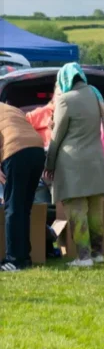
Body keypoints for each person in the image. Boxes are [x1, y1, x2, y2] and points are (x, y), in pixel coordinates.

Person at [44, 63, 104, 267]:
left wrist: (49, 162)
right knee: (95, 210)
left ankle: (83, 257)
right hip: (96, 160)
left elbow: (57, 136)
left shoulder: (65, 100)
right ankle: (98, 253)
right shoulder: (94, 94)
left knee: (76, 210)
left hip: (72, 163)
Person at [0, 102, 46, 272]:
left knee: (13, 208)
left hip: (16, 150)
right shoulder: (10, 108)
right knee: (23, 208)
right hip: (37, 150)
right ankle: (24, 257)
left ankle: (13, 259)